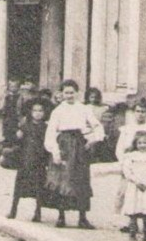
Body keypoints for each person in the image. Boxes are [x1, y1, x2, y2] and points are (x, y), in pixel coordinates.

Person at [44, 79, 102, 229]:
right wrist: (55, 152)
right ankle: (61, 217)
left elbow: (96, 125)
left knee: (81, 180)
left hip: (80, 146)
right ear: (61, 94)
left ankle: (82, 218)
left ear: (77, 93)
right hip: (64, 145)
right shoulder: (57, 111)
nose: (69, 95)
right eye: (66, 93)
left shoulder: (84, 109)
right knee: (63, 180)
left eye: (72, 92)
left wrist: (93, 140)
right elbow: (50, 132)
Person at [8, 96, 50, 223]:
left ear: (45, 113)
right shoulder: (25, 126)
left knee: (39, 187)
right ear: (30, 112)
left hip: (39, 161)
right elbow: (16, 142)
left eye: (40, 111)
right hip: (25, 159)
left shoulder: (46, 128)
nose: (37, 114)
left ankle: (38, 212)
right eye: (35, 111)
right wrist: (17, 136)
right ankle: (13, 210)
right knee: (19, 186)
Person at [119, 131, 146, 241]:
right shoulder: (131, 156)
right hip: (135, 186)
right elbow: (127, 170)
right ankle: (132, 234)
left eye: (145, 143)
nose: (142, 145)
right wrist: (136, 181)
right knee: (133, 210)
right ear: (135, 144)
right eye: (139, 143)